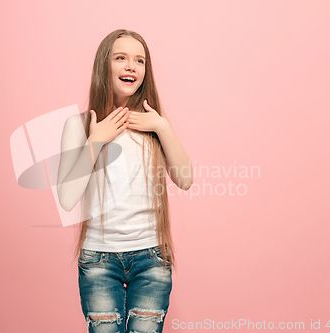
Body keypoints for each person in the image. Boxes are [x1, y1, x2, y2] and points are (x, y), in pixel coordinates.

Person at [57, 29, 193, 333]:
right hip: (98, 262)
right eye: (121, 58)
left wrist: (163, 127)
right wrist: (96, 140)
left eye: (139, 60)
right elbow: (66, 199)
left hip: (152, 258)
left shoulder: (152, 124)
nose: (131, 66)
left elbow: (185, 179)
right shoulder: (79, 125)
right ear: (105, 66)